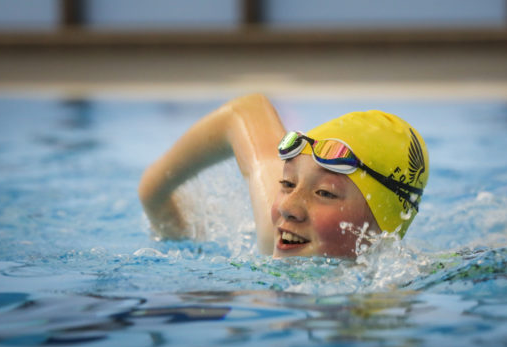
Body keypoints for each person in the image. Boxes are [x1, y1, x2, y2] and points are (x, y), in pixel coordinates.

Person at [138, 94, 429, 258]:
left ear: (384, 225)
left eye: (325, 193)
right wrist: (161, 208)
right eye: (287, 183)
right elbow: (244, 112)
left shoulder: (408, 288)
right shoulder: (272, 236)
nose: (287, 208)